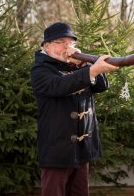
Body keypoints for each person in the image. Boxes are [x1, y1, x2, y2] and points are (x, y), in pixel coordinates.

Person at [30, 22, 118, 196]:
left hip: (81, 148)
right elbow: (60, 85)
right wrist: (90, 71)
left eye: (70, 42)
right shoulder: (40, 70)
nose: (67, 46)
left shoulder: (76, 66)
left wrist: (84, 64)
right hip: (57, 149)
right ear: (47, 46)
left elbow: (101, 86)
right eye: (60, 42)